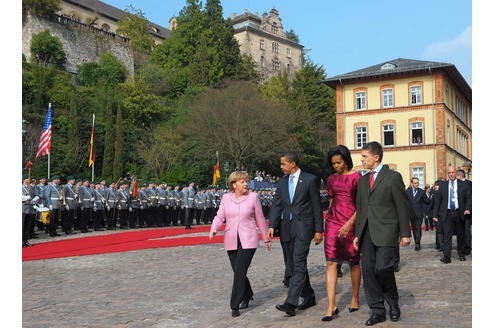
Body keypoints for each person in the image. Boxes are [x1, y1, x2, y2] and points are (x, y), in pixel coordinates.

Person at [353, 141, 411, 326]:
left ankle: (393, 303)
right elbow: (361, 209)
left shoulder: (393, 177)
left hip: (386, 231)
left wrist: (405, 233)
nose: (361, 159)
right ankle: (377, 310)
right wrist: (357, 234)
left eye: (364, 156)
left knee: (383, 269)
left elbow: (402, 207)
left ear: (376, 157)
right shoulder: (362, 180)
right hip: (366, 234)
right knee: (369, 272)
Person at [268, 151, 323, 317]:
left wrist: (319, 230)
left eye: (283, 163)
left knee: (298, 262)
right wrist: (272, 225)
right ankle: (309, 295)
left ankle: (290, 302)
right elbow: (277, 204)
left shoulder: (310, 179)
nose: (281, 166)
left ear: (292, 164)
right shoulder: (282, 182)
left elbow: (316, 206)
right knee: (291, 265)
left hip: (303, 228)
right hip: (286, 228)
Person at [209, 171, 271, 317]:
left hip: (248, 238)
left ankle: (235, 304)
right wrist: (214, 228)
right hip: (231, 238)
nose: (245, 184)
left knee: (240, 271)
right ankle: (248, 294)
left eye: (246, 181)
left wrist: (266, 237)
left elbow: (260, 218)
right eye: (242, 181)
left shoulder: (253, 197)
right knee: (237, 271)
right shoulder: (226, 198)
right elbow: (220, 216)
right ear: (234, 184)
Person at [321, 145, 361, 322]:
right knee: (330, 262)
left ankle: (354, 298)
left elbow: (362, 205)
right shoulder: (330, 179)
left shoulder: (357, 178)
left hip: (352, 223)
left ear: (346, 160)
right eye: (333, 163)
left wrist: (349, 224)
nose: (336, 166)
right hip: (332, 223)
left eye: (339, 162)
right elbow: (332, 201)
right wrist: (327, 222)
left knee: (354, 262)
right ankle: (331, 305)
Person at [432, 166, 471, 263]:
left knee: (460, 235)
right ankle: (446, 256)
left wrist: (467, 209)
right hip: (447, 213)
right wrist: (435, 214)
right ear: (447, 174)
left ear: (456, 173)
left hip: (459, 212)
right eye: (449, 173)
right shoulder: (442, 185)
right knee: (447, 235)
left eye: (453, 172)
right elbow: (437, 200)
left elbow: (469, 198)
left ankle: (461, 254)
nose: (451, 174)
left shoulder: (463, 185)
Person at [405, 177, 430, 250]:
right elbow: (404, 201)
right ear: (412, 183)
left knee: (418, 228)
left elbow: (427, 201)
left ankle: (417, 243)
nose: (416, 184)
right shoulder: (407, 191)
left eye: (417, 183)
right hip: (411, 213)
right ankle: (416, 241)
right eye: (415, 183)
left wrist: (430, 195)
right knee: (414, 228)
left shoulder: (422, 192)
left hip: (419, 214)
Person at [456, 169, 472, 255]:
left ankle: (467, 248)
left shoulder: (469, 184)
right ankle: (461, 246)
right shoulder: (456, 184)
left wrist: (468, 208)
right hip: (458, 211)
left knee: (466, 230)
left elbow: (470, 198)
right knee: (460, 230)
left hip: (467, 212)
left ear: (459, 176)